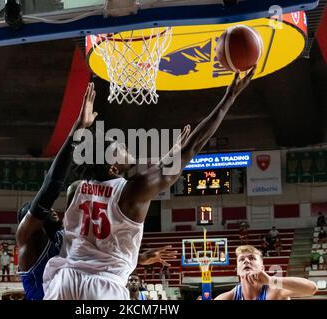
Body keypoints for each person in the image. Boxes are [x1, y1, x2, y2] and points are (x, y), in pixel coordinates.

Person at [43, 69, 256, 300]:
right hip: (104, 286)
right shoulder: (132, 192)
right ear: (113, 168)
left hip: (66, 279)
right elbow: (193, 147)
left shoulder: (76, 188)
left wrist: (80, 129)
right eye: (117, 149)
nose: (123, 147)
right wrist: (229, 97)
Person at [16, 83, 177, 300]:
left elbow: (94, 262)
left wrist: (139, 258)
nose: (52, 211)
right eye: (43, 212)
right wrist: (77, 131)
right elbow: (51, 186)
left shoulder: (66, 236)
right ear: (31, 220)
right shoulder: (27, 239)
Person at [215, 245, 317, 300]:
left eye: (252, 258)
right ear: (237, 271)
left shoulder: (275, 292)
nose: (246, 261)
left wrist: (271, 280)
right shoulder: (227, 297)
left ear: (262, 268)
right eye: (241, 259)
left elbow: (311, 289)